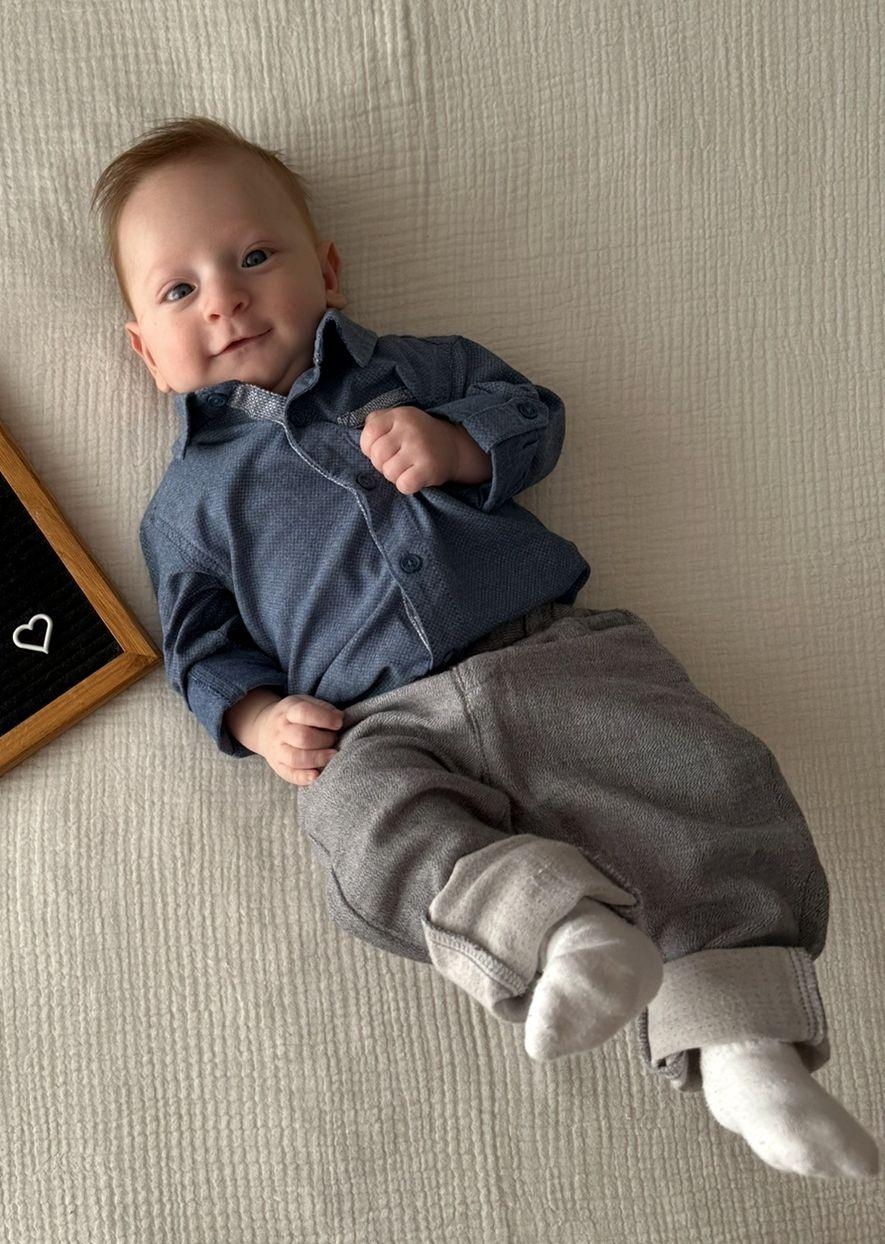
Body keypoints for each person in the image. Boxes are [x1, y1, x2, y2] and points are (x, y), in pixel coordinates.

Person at [90, 115, 879, 1180]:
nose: (224, 298)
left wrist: (459, 442)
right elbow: (198, 643)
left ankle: (746, 1046)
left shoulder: (418, 368)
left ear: (327, 269)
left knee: (699, 777)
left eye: (255, 256)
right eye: (179, 290)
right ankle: (559, 936)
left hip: (554, 654)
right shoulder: (184, 508)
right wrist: (258, 716)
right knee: (356, 827)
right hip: (377, 726)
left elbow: (532, 413)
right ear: (146, 350)